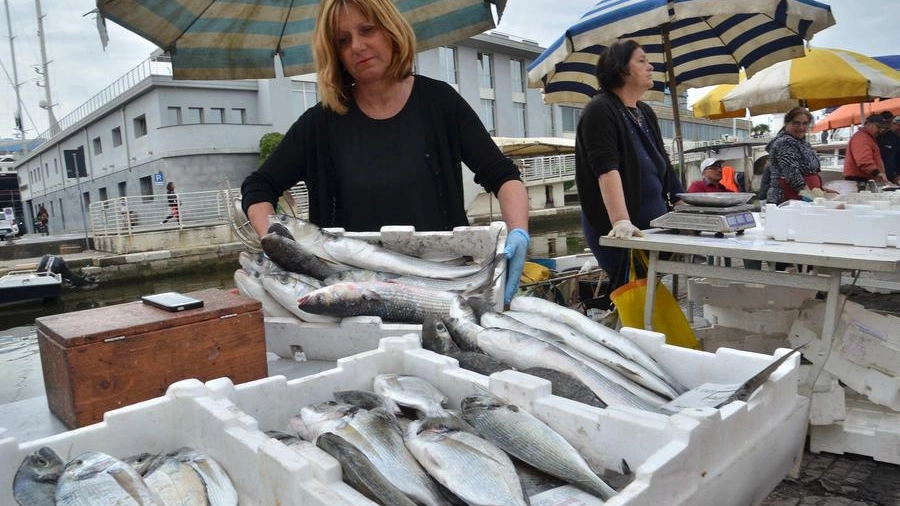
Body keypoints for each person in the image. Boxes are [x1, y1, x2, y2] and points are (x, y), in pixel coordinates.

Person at [240, 0, 530, 304]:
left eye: (367, 30)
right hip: (351, 297)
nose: (357, 45)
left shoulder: (440, 103)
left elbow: (503, 176)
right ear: (335, 53)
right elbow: (259, 187)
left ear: (391, 30)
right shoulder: (320, 123)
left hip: (445, 287)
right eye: (343, 40)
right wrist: (277, 245)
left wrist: (518, 232)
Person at [575, 39, 684, 288]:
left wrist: (682, 201)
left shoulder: (645, 111)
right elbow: (606, 169)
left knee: (652, 295)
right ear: (621, 69)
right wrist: (620, 221)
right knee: (631, 294)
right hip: (619, 230)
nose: (651, 66)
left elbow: (663, 162)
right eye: (642, 60)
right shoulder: (599, 109)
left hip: (654, 229)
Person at [766, 107, 834, 205]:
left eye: (805, 124)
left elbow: (810, 171)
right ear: (786, 123)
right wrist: (810, 195)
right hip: (790, 198)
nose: (801, 127)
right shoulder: (784, 142)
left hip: (804, 197)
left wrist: (821, 190)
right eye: (796, 123)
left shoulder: (802, 142)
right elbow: (792, 173)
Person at [843, 114, 889, 189]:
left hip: (862, 180)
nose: (881, 130)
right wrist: (877, 172)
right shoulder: (862, 137)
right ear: (870, 124)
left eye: (882, 128)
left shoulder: (867, 137)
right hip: (858, 181)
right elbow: (863, 160)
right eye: (878, 127)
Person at [877, 112, 900, 185]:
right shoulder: (873, 137)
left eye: (890, 122)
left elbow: (898, 157)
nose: (888, 124)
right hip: (876, 176)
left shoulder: (895, 138)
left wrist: (898, 175)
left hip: (892, 176)